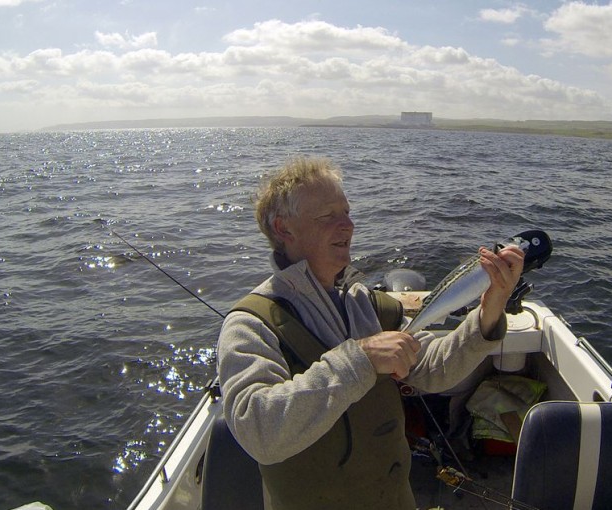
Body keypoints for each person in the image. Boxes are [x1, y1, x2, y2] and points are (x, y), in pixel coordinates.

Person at [217, 156, 524, 510]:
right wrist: (359, 359)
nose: (348, 225)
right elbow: (260, 431)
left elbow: (436, 369)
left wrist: (490, 309)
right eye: (328, 216)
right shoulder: (252, 324)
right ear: (284, 229)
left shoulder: (370, 305)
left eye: (347, 212)